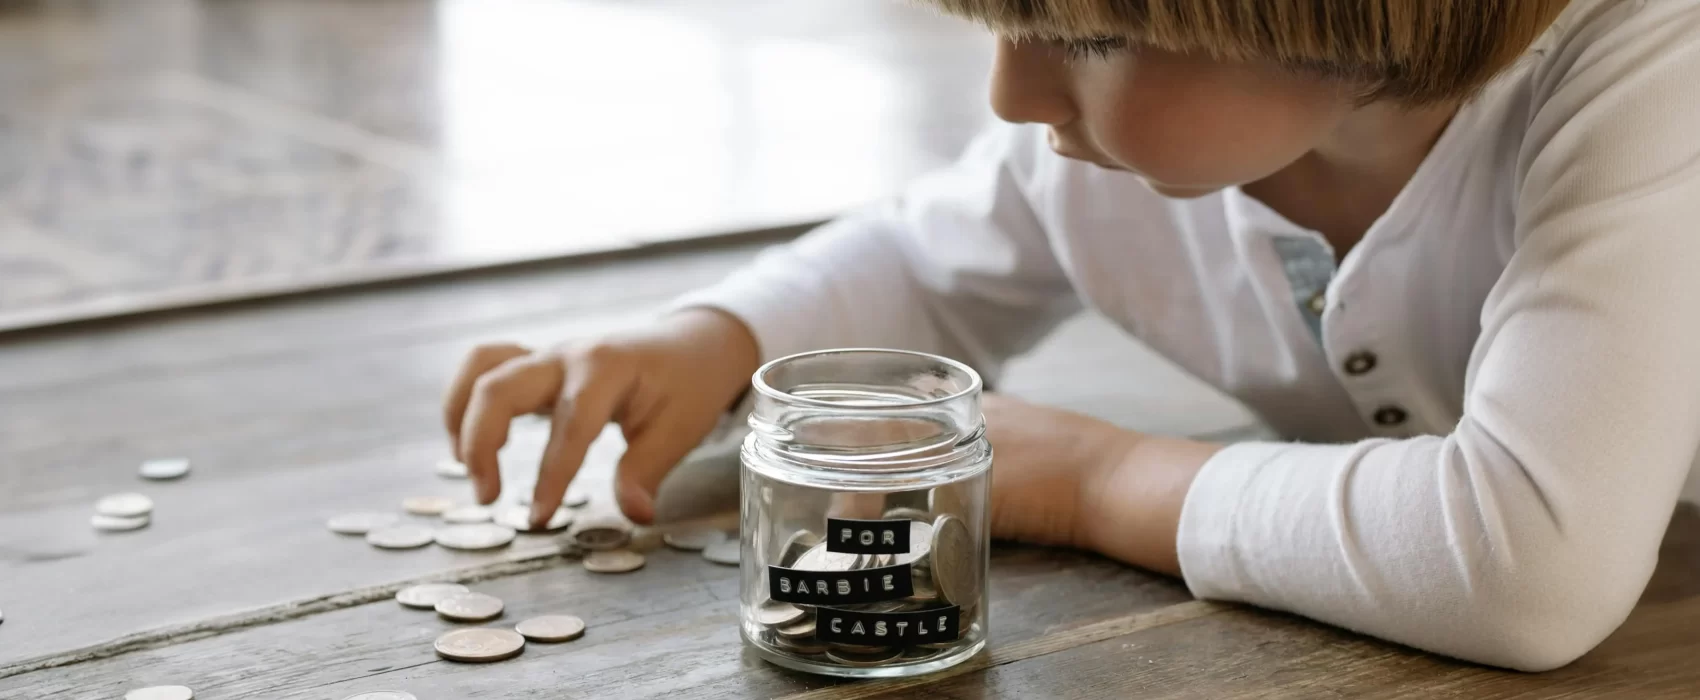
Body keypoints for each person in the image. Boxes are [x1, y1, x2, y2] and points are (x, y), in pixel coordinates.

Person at [442, 0, 1700, 672]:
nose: (1008, 94)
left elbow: (1527, 565)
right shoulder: (1094, 153)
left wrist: (1099, 478)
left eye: (1085, 35)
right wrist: (714, 336)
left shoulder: (1657, 64)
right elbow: (918, 258)